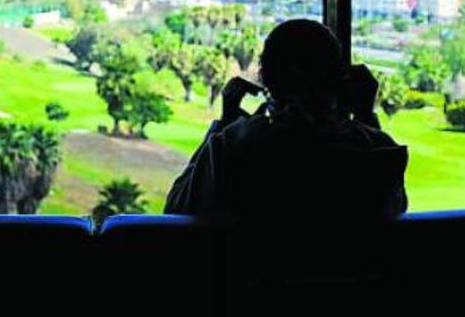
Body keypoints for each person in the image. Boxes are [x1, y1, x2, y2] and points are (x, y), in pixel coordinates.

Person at [164, 19, 408, 221]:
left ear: (267, 80)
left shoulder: (234, 147)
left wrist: (225, 122)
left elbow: (176, 208)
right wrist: (365, 115)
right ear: (339, 79)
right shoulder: (376, 152)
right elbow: (394, 207)